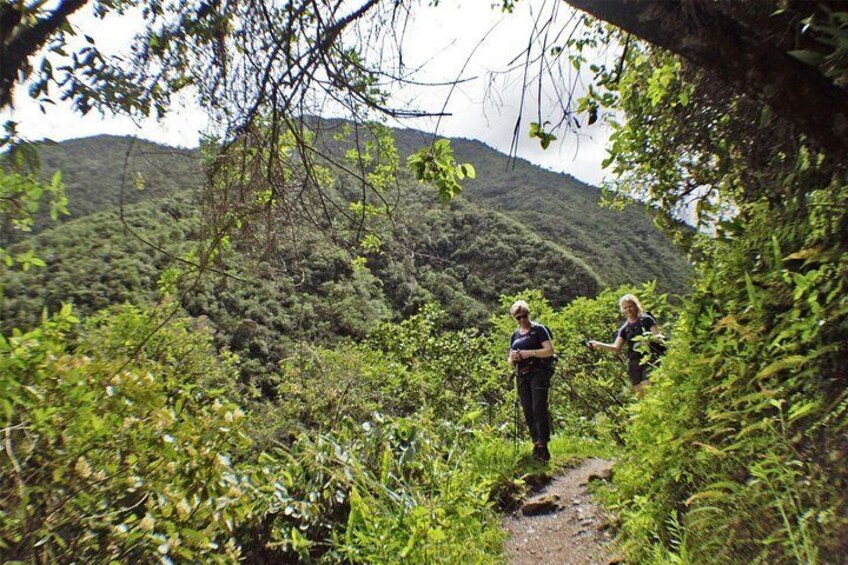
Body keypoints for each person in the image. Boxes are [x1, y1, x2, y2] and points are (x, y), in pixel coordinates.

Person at [508, 300, 555, 462]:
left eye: (524, 316)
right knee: (527, 410)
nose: (522, 320)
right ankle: (535, 443)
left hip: (538, 372)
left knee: (538, 407)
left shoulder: (539, 330)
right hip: (522, 374)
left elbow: (549, 351)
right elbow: (509, 359)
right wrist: (514, 358)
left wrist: (529, 353)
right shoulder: (515, 335)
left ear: (528, 314)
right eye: (518, 317)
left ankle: (543, 445)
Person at [588, 293, 662, 397]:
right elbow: (616, 347)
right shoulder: (624, 329)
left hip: (650, 359)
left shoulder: (646, 320)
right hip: (634, 364)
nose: (628, 309)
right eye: (625, 307)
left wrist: (648, 340)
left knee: (649, 389)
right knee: (640, 395)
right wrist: (598, 344)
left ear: (636, 305)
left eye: (630, 306)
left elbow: (658, 337)